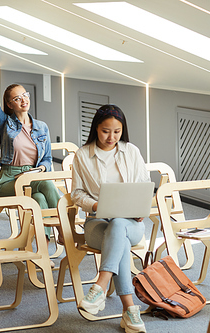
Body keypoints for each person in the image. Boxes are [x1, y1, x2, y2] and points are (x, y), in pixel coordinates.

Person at [71, 104, 149, 333]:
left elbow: (145, 188)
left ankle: (100, 286)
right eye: (106, 131)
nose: (111, 137)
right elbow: (76, 194)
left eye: (116, 132)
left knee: (119, 225)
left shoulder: (131, 151)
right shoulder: (82, 154)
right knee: (119, 237)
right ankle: (130, 311)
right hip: (97, 222)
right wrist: (96, 205)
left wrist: (141, 208)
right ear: (96, 128)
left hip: (131, 223)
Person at [0, 35, 62, 248]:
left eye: (25, 95)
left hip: (32, 176)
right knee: (45, 185)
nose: (23, 99)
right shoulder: (5, 123)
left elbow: (45, 161)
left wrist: (40, 169)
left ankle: (42, 248)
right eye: (17, 98)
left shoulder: (42, 127)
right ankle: (65, 230)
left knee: (40, 200)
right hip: (9, 180)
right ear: (10, 104)